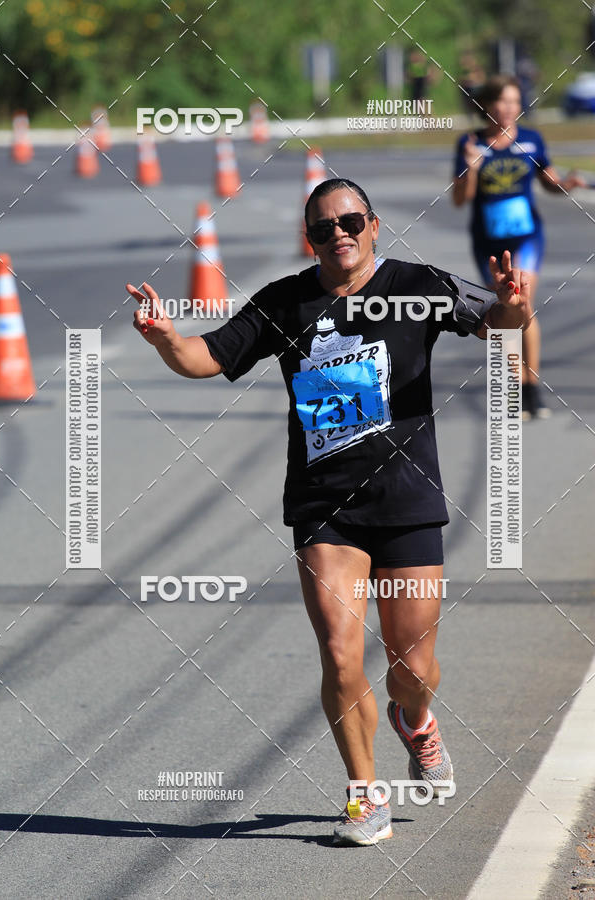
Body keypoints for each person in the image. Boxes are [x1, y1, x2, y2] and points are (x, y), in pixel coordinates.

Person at [127, 178, 531, 845]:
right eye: (322, 228)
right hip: (325, 509)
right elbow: (206, 357)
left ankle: (416, 721)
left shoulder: (417, 284)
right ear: (308, 238)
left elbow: (498, 327)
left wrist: (515, 308)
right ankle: (364, 796)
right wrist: (166, 337)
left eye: (348, 222)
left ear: (373, 225)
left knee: (412, 670)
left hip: (407, 502)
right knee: (341, 654)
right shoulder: (286, 302)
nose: (337, 234)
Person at [452, 73, 586, 420]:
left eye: (514, 101)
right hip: (488, 242)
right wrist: (471, 169)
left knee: (522, 301)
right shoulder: (470, 143)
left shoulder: (531, 139)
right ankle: (515, 386)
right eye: (502, 101)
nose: (509, 108)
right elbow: (459, 199)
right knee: (504, 311)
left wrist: (566, 184)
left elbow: (549, 182)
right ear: (488, 105)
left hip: (526, 237)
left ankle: (532, 386)